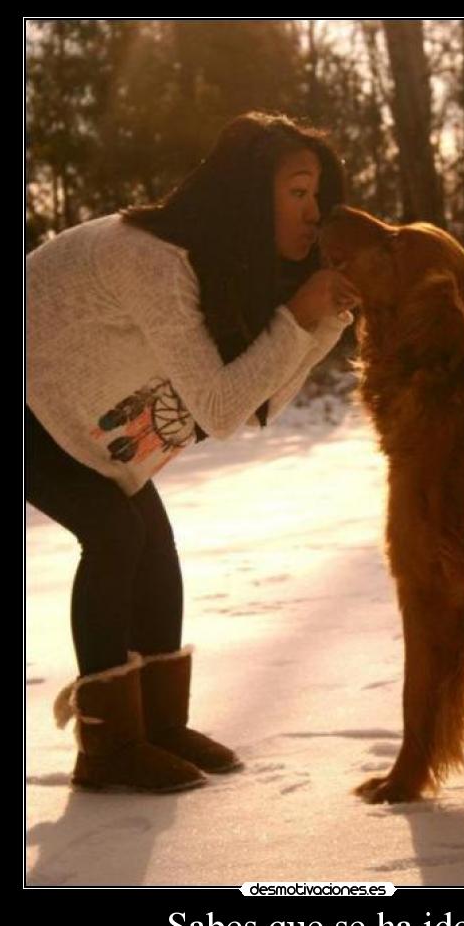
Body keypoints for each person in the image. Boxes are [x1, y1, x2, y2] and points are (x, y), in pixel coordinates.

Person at [26, 111, 360, 793]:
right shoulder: (154, 261)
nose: (314, 211)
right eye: (297, 191)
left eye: (317, 195)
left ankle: (156, 725)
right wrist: (299, 317)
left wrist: (321, 319)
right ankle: (109, 747)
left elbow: (254, 402)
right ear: (247, 193)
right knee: (117, 533)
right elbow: (220, 406)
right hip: (34, 403)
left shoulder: (220, 271)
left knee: (153, 540)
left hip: (76, 420)